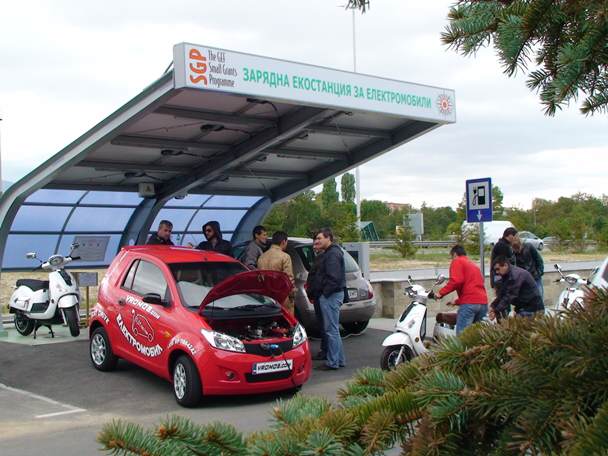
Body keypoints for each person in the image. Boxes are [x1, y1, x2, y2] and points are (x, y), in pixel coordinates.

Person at [434, 245, 488, 335]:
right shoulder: (473, 265)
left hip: (469, 305)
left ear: (455, 254)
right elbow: (474, 289)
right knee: (477, 337)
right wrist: (456, 302)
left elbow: (456, 281)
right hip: (483, 304)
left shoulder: (457, 261)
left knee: (463, 337)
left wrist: (440, 293)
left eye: (451, 257)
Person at [313, 228, 346, 371]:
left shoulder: (332, 255)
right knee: (334, 330)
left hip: (331, 296)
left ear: (329, 238)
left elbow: (334, 278)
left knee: (331, 330)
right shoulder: (331, 252)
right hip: (331, 295)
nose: (316, 241)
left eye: (319, 238)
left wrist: (324, 294)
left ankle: (332, 362)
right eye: (316, 239)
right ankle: (339, 360)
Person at [257, 231, 295, 313]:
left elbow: (259, 279)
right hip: (282, 297)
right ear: (283, 242)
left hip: (267, 299)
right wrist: (292, 296)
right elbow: (289, 279)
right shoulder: (285, 257)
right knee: (287, 322)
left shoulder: (261, 257)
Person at [305, 236, 327, 361]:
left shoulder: (322, 258)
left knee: (325, 326)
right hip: (319, 295)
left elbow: (316, 278)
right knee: (325, 325)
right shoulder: (321, 258)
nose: (314, 247)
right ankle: (326, 350)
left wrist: (313, 292)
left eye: (316, 245)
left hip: (320, 295)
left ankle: (325, 351)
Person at [512, 235, 545, 300]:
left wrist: (539, 272)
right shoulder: (514, 254)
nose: (518, 251)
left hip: (535, 276)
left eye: (518, 248)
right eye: (515, 249)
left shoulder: (529, 247)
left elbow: (539, 260)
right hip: (524, 280)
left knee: (539, 297)